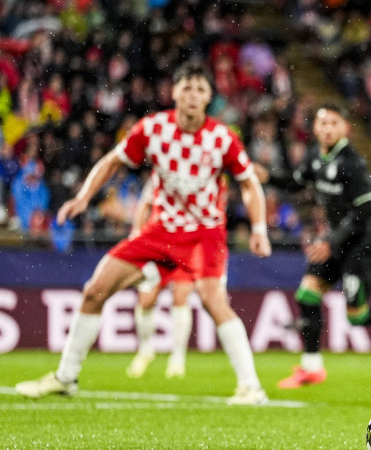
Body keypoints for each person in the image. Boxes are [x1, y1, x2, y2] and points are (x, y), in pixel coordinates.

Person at [16, 61, 271, 405]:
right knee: (95, 290)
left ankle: (251, 387)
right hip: (160, 231)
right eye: (186, 87)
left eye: (200, 89)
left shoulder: (222, 137)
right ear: (174, 92)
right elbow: (112, 161)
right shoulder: (152, 129)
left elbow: (250, 184)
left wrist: (258, 229)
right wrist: (83, 197)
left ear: (209, 96)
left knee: (213, 301)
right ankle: (65, 378)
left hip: (203, 234)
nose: (193, 95)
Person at [258, 105, 371, 389]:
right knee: (307, 295)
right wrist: (267, 176)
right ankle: (312, 368)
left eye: (334, 122)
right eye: (322, 122)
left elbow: (366, 209)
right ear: (315, 127)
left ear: (346, 128)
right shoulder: (315, 156)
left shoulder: (351, 162)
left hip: (362, 244)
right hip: (336, 242)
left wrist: (330, 241)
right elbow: (296, 183)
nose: (327, 128)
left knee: (357, 317)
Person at [126, 181, 196, 380]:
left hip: (186, 243)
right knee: (146, 300)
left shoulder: (196, 174)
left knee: (180, 297)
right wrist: (136, 234)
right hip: (158, 242)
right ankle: (146, 349)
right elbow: (145, 204)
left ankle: (178, 357)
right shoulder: (161, 173)